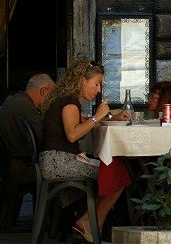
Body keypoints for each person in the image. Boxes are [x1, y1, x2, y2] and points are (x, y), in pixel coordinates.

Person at [40, 59, 131, 242]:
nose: (98, 90)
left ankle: (89, 223)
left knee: (113, 169)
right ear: (82, 80)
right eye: (96, 83)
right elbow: (73, 134)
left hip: (57, 160)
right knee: (117, 173)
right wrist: (97, 117)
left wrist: (111, 117)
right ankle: (91, 224)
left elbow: (82, 121)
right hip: (60, 163)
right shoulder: (70, 102)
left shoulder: (66, 99)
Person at [0, 73, 55, 186]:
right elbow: (43, 139)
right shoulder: (25, 106)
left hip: (8, 164)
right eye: (52, 96)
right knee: (57, 175)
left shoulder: (15, 100)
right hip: (17, 167)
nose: (52, 101)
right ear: (43, 92)